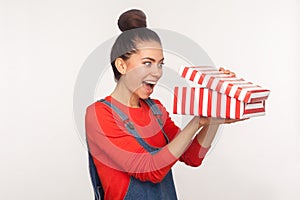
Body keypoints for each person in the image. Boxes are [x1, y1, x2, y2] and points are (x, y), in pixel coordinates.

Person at [85, 9, 244, 200]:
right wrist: (196, 122)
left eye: (160, 64)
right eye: (147, 63)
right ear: (122, 66)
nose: (157, 72)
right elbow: (149, 169)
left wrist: (213, 117)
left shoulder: (156, 110)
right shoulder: (99, 114)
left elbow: (192, 157)